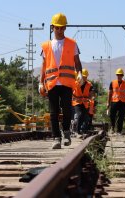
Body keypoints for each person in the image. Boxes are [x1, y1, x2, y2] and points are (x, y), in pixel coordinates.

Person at [39, 13, 83, 149]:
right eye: (57, 27)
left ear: (65, 28)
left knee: (67, 109)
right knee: (54, 112)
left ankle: (66, 133)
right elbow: (44, 65)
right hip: (52, 83)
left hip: (67, 83)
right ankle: (56, 138)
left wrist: (80, 73)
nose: (59, 30)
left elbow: (77, 62)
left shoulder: (72, 44)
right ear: (52, 27)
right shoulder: (46, 46)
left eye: (62, 28)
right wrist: (41, 82)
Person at [72, 69, 94, 138]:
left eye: (85, 77)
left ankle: (83, 131)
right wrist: (77, 98)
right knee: (80, 114)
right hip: (77, 102)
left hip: (85, 103)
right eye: (83, 77)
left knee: (86, 117)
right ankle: (77, 131)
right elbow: (71, 93)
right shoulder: (75, 83)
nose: (84, 78)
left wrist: (90, 98)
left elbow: (91, 94)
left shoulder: (89, 84)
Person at [107, 68, 125, 134]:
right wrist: (108, 102)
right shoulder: (112, 83)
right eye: (118, 75)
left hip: (122, 102)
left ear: (122, 76)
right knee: (112, 115)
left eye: (120, 75)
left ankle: (119, 130)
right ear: (116, 75)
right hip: (114, 101)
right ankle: (112, 128)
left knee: (121, 117)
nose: (119, 76)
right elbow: (110, 93)